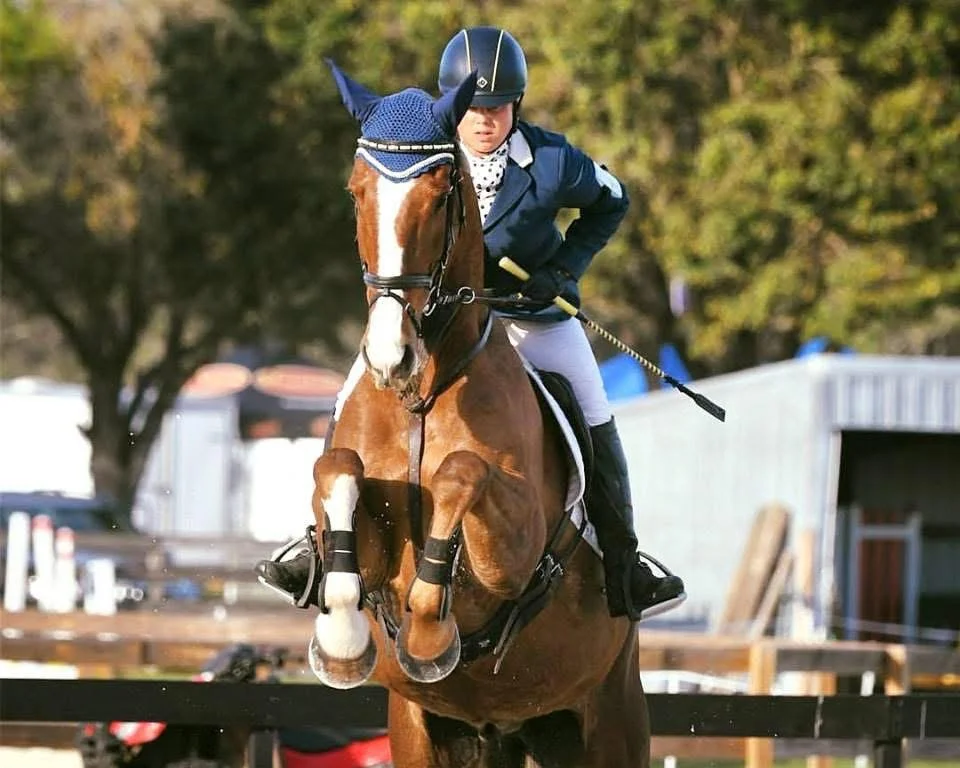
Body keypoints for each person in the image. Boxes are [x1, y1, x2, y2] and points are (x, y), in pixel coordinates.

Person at [256, 26, 686, 622]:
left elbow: (612, 201)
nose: (485, 119)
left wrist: (561, 268)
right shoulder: (419, 162)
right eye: (475, 107)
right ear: (452, 107)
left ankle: (623, 563)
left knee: (595, 412)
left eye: (499, 106)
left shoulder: (554, 162)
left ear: (517, 105)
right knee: (347, 404)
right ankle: (320, 546)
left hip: (530, 321)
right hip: (433, 326)